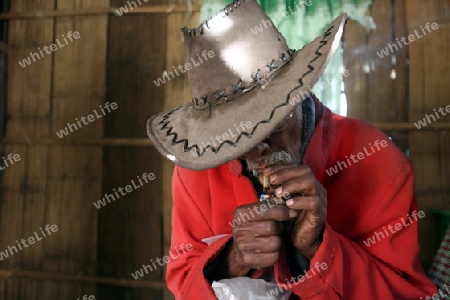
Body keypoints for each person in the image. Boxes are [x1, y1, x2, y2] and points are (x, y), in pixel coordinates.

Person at [147, 0, 437, 298]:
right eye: (237, 141)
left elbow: (405, 293)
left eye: (274, 127)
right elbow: (183, 283)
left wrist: (316, 247)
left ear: (297, 96)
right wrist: (233, 259)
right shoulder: (196, 169)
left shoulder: (377, 158)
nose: (259, 150)